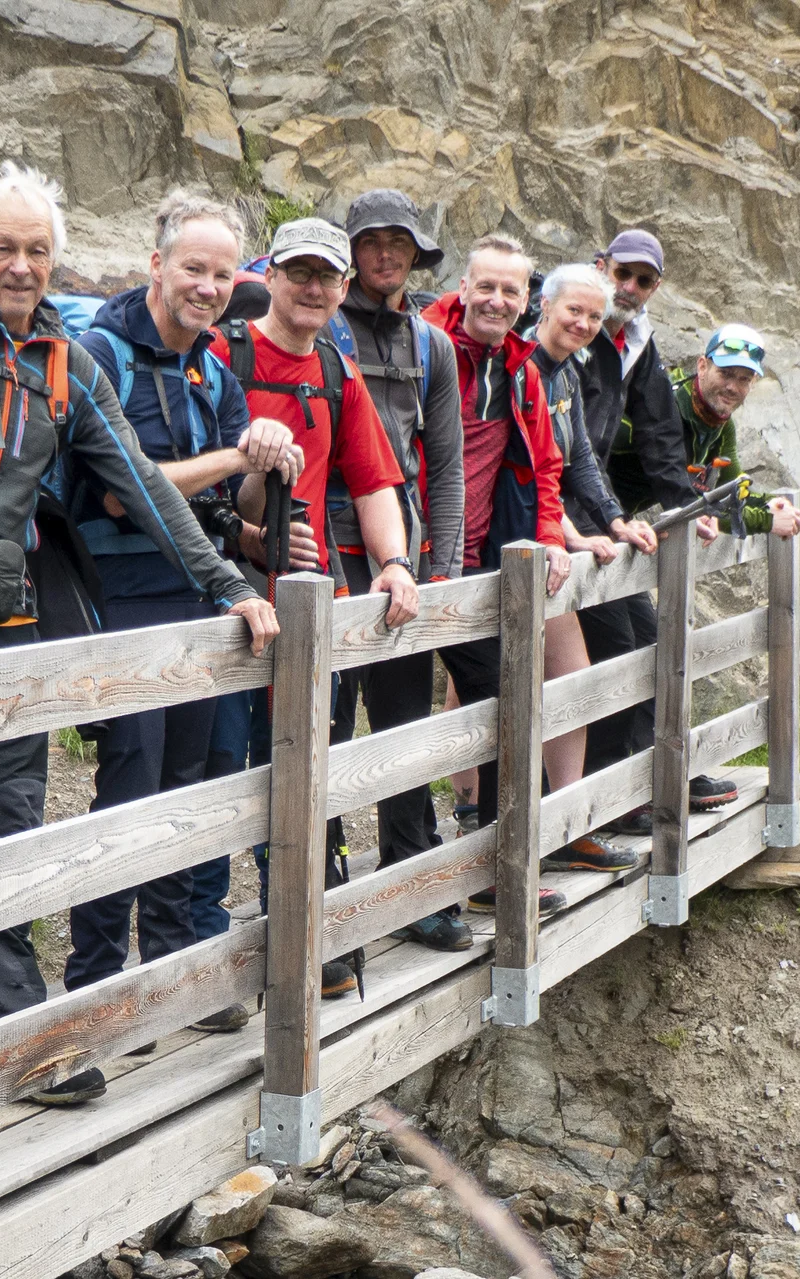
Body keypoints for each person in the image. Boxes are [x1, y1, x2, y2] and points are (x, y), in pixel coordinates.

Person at [0, 163, 278, 1104]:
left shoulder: (68, 363)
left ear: (57, 261)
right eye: (3, 248)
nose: (20, 266)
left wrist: (226, 585)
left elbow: (140, 483)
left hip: (8, 620)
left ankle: (18, 1043)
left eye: (37, 250)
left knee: (4, 830)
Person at [63, 191, 303, 1035]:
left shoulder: (215, 370)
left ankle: (170, 979)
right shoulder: (100, 355)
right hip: (124, 599)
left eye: (222, 272)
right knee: (130, 788)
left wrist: (264, 457)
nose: (207, 286)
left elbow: (232, 491)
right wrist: (237, 452)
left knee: (192, 790)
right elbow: (127, 497)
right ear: (156, 264)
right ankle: (92, 985)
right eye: (192, 268)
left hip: (202, 595)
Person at [213, 216, 422, 997]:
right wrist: (255, 539)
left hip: (313, 600)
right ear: (271, 273)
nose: (313, 287)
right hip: (229, 595)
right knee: (225, 768)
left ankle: (307, 928)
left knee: (314, 762)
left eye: (327, 276)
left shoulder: (339, 370)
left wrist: (395, 562)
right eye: (299, 270)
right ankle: (206, 952)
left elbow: (373, 480)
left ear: (342, 289)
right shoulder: (224, 358)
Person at [421, 237, 611, 917]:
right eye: (488, 287)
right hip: (409, 563)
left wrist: (548, 533)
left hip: (477, 561)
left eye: (511, 291)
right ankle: (412, 879)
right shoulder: (424, 349)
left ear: (525, 300)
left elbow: (551, 464)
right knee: (391, 724)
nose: (498, 301)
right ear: (465, 285)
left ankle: (489, 864)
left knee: (507, 694)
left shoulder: (523, 371)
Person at [330, 189, 470, 952]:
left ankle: (413, 890)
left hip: (403, 560)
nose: (386, 254)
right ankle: (323, 906)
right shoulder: (324, 322)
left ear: (417, 253)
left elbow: (443, 465)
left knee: (404, 728)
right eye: (373, 241)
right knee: (320, 731)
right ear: (353, 249)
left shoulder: (431, 345)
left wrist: (440, 565)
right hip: (329, 552)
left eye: (400, 243)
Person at [573, 230, 737, 817]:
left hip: (595, 504)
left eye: (644, 281)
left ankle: (652, 775)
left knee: (651, 636)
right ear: (600, 267)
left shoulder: (636, 342)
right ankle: (618, 792)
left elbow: (662, 436)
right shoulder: (574, 326)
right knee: (617, 645)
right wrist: (609, 517)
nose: (630, 288)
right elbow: (566, 442)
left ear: (655, 288)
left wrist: (693, 509)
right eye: (622, 274)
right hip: (566, 504)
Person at [519, 262, 653, 871]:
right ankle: (492, 820)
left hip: (545, 537)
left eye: (595, 317)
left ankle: (564, 823)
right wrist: (567, 531)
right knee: (486, 687)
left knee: (562, 677)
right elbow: (521, 468)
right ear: (543, 306)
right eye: (574, 310)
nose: (584, 323)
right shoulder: (519, 369)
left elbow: (574, 464)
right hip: (508, 542)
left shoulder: (569, 374)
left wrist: (610, 521)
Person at [669, 324, 800, 540]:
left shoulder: (721, 423)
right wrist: (767, 520)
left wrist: (768, 504)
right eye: (725, 373)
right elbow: (677, 501)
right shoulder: (669, 407)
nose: (732, 387)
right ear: (702, 366)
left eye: (744, 379)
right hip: (608, 521)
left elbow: (732, 490)